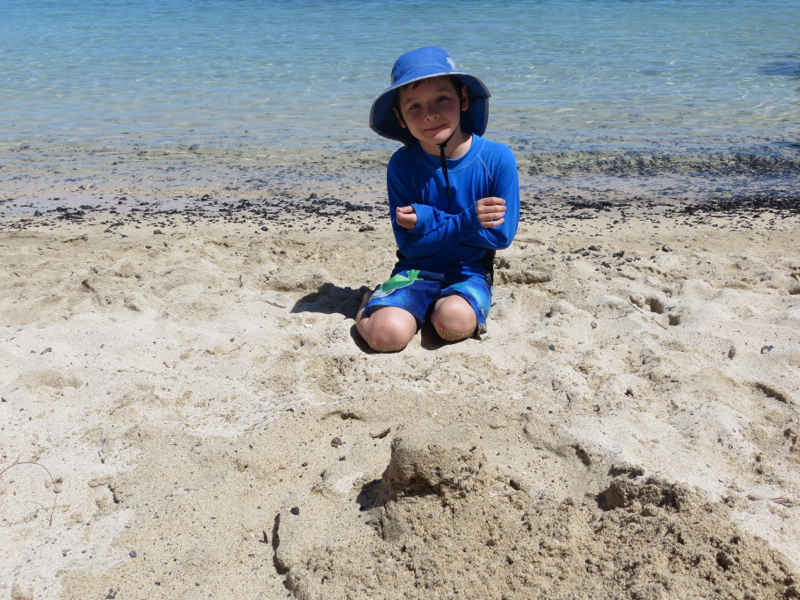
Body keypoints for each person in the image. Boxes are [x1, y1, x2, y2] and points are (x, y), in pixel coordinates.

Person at [356, 46, 520, 352]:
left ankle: (432, 309)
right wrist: (467, 221)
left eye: (442, 98)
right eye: (414, 106)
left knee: (453, 323)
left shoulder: (498, 159)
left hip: (469, 272)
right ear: (400, 117)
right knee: (386, 336)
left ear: (463, 99)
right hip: (413, 270)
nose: (430, 113)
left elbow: (499, 236)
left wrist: (428, 220)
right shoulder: (402, 166)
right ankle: (370, 305)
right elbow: (410, 246)